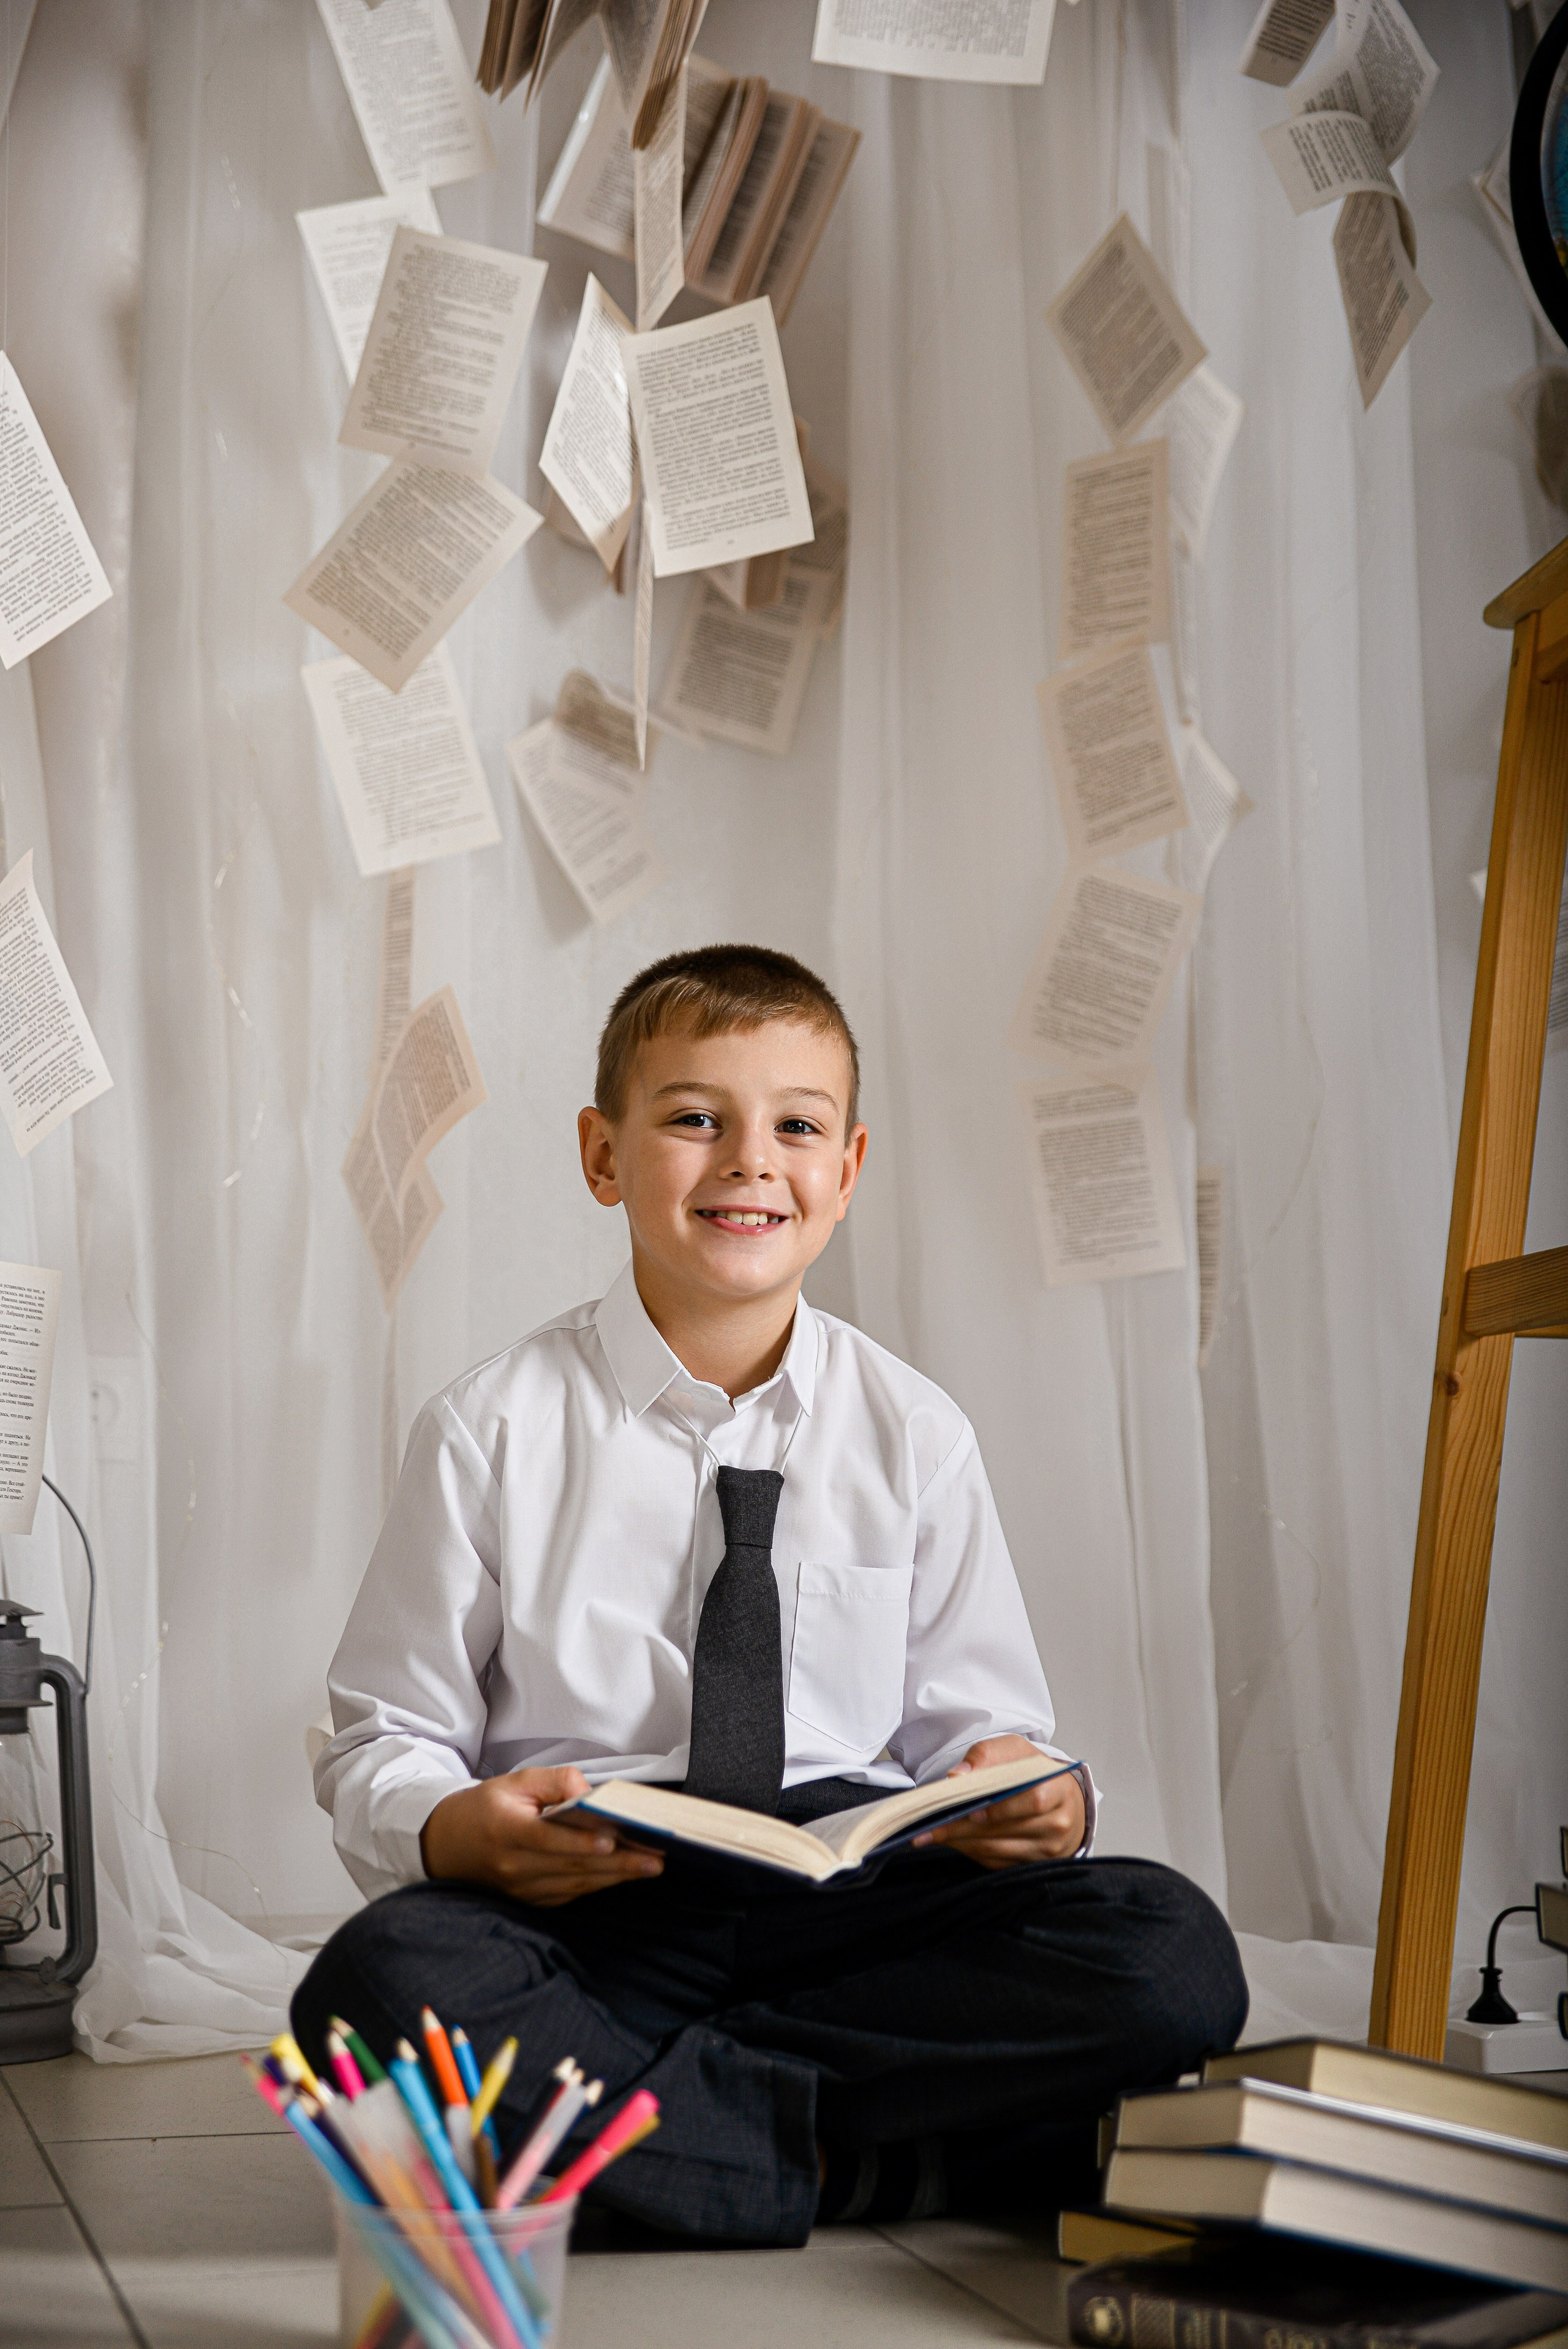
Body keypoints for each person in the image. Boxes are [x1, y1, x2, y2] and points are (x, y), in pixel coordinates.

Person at [295, 944, 1246, 2245]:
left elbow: (979, 1734)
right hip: (597, 1909)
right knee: (379, 1980)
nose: (750, 1161)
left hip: (850, 1912)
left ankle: (654, 2149)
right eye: (695, 1119)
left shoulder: (915, 1431)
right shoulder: (490, 1427)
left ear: (845, 1172)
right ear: (603, 1156)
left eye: (796, 1128)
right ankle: (889, 2166)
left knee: (1169, 1949)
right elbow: (383, 1740)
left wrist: (1042, 1799)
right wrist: (460, 1830)